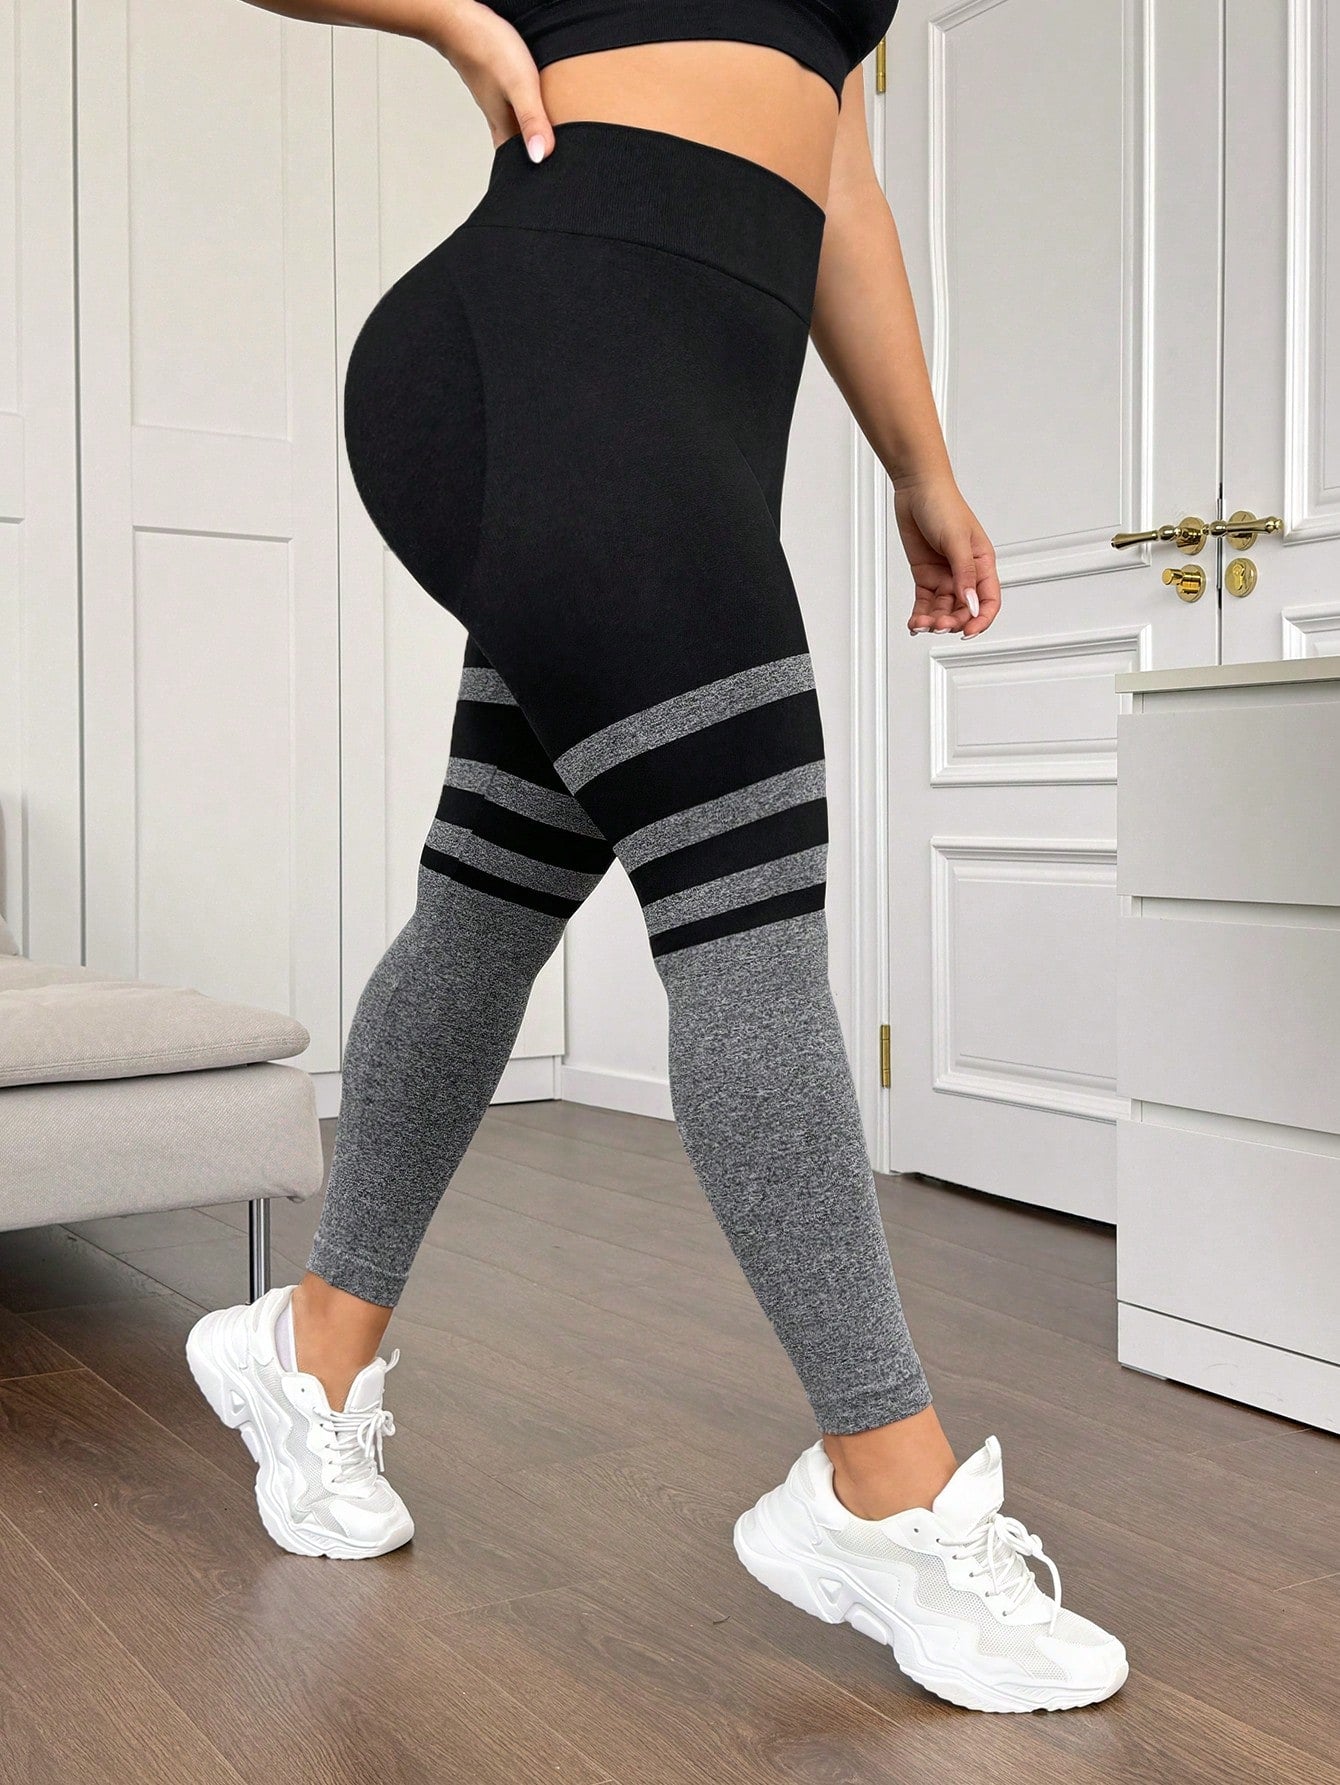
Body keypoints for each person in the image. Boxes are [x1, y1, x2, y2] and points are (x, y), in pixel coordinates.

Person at [185, 0, 1127, 1714]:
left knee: (486, 911)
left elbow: (837, 172)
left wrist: (921, 463)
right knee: (749, 922)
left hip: (676, 420)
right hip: (549, 352)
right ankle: (882, 1488)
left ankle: (310, 1348)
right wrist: (448, 16)